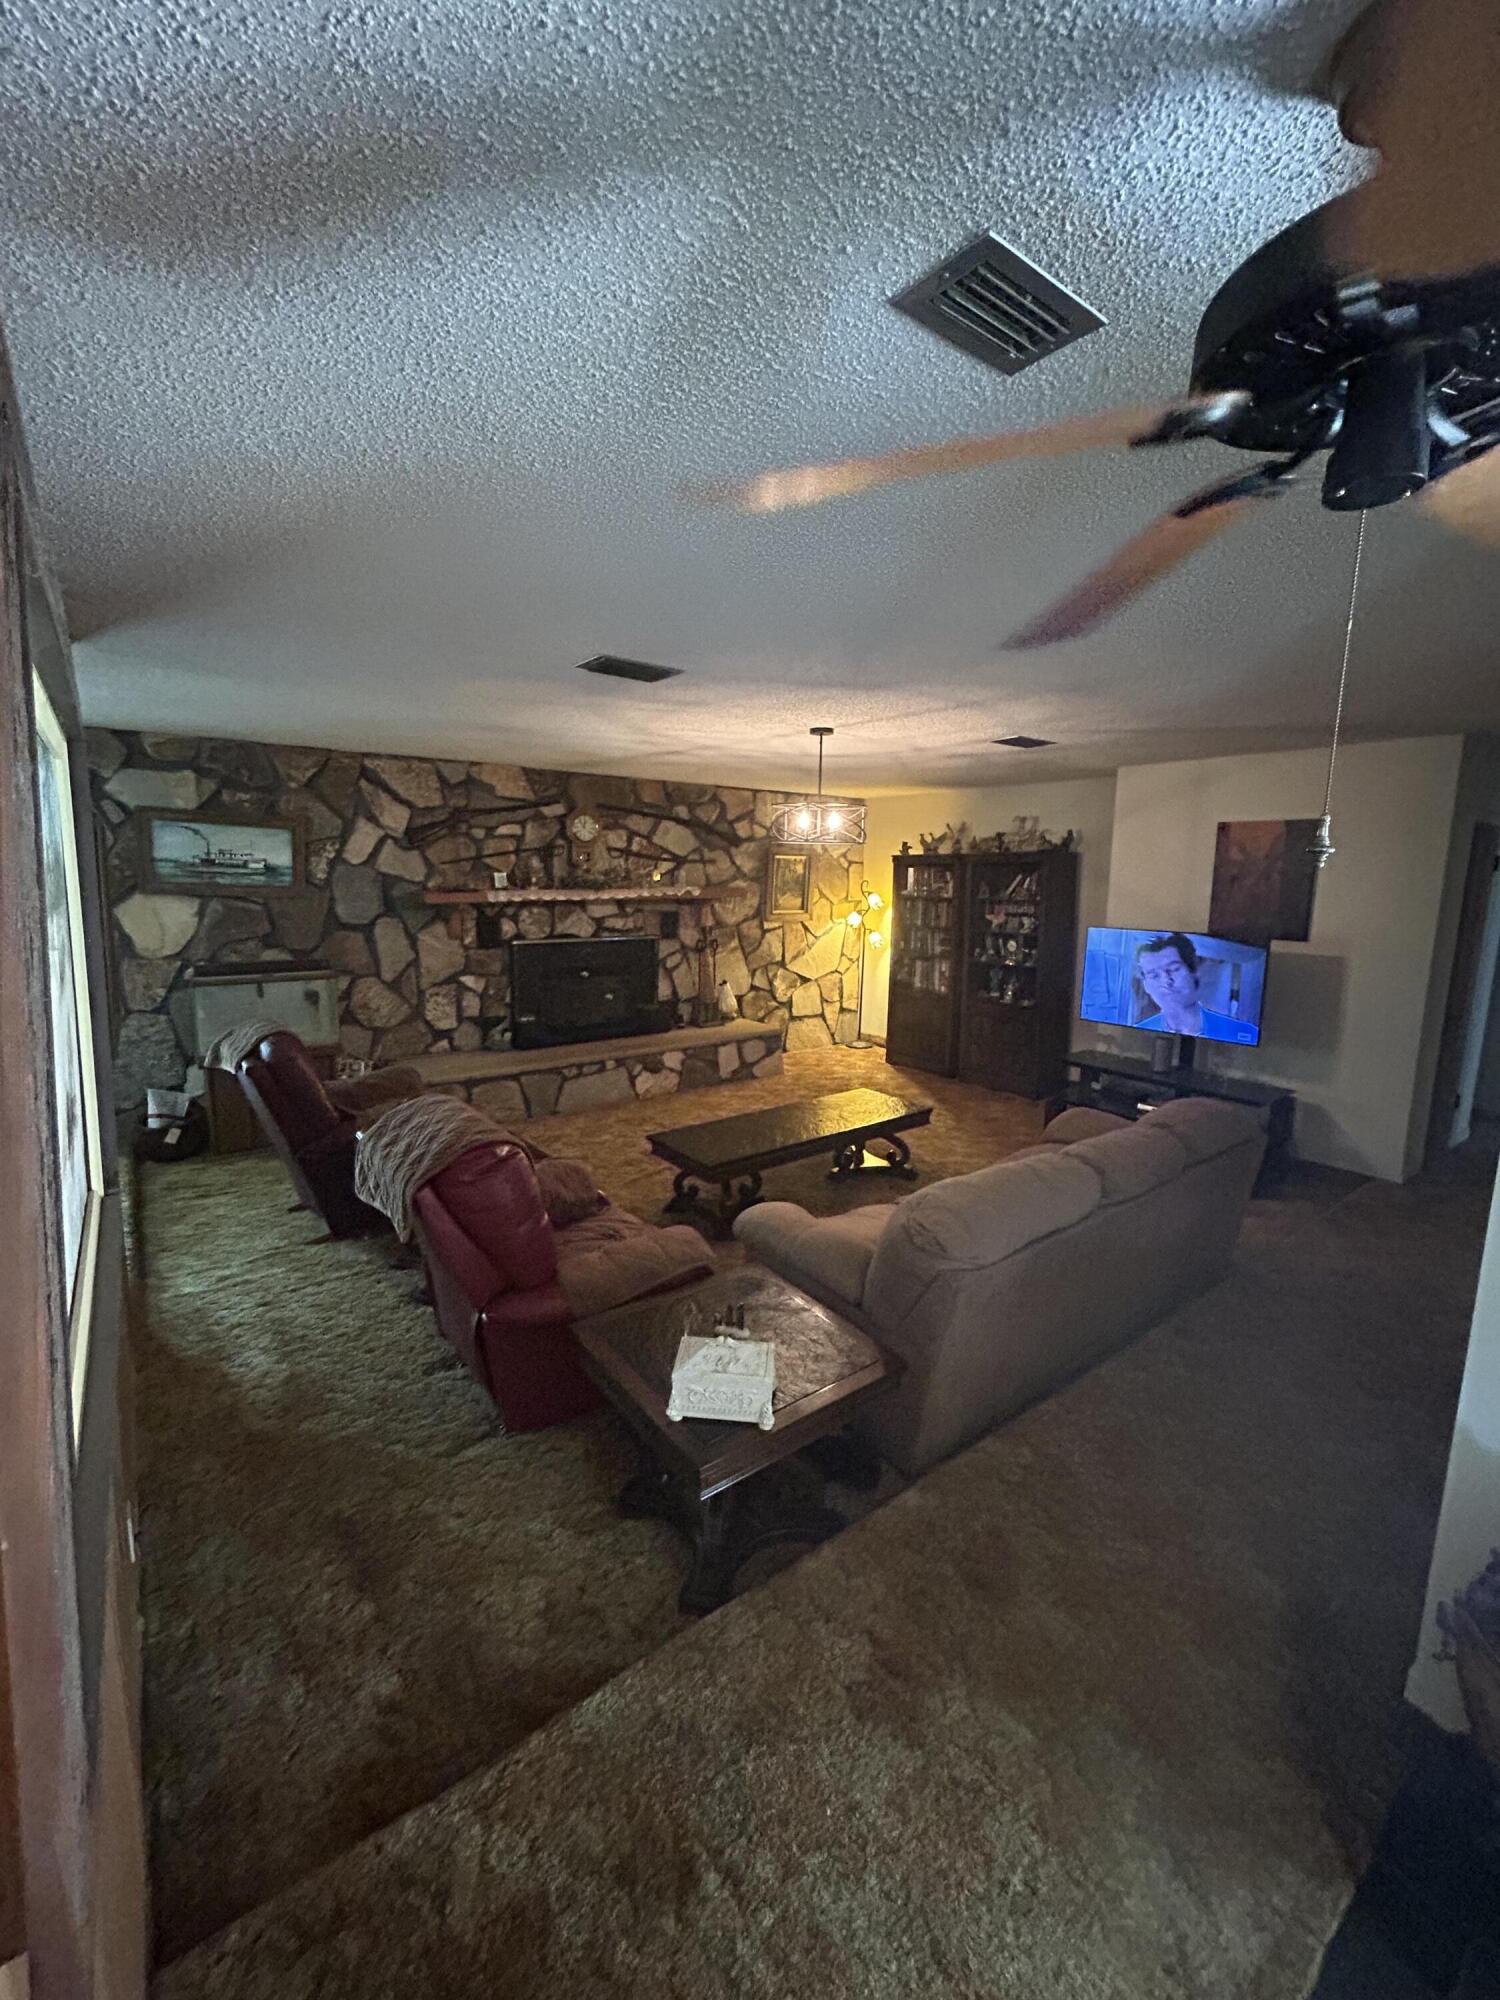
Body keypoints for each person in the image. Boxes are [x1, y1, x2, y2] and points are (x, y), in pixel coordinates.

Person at [1134, 932, 1241, 1040]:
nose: (1166, 981)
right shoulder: (1135, 1036)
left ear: (1193, 971)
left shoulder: (1240, 1032)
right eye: (1154, 975)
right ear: (1146, 985)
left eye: (1174, 969)